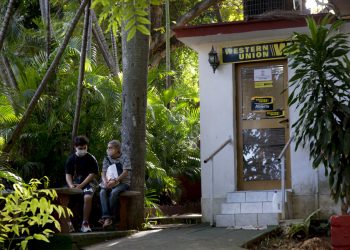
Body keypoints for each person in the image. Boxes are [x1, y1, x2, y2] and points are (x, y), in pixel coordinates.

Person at [65, 135, 99, 233]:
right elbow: (68, 175)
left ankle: (85, 223)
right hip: (75, 183)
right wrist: (71, 185)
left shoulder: (91, 158)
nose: (83, 150)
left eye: (85, 148)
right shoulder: (71, 159)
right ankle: (68, 224)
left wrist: (81, 186)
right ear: (75, 147)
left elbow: (92, 174)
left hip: (89, 183)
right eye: (80, 148)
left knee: (87, 197)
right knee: (64, 198)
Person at [99, 140, 131, 228]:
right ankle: (107, 217)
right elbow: (103, 172)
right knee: (102, 192)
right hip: (108, 182)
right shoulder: (106, 158)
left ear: (117, 149)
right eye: (108, 148)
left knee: (114, 192)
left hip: (123, 183)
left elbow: (125, 172)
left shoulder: (125, 158)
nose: (108, 149)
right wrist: (105, 182)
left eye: (110, 148)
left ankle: (111, 218)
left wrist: (115, 181)